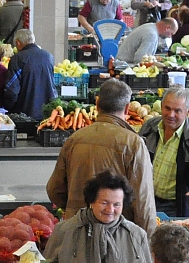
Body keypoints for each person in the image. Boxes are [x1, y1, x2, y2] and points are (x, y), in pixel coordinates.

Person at [47, 79, 156, 233]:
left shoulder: (75, 139)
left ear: (97, 104)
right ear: (127, 108)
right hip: (117, 234)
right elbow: (143, 203)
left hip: (77, 231)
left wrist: (76, 209)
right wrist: (148, 241)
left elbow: (54, 189)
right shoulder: (133, 143)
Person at [43, 171, 152, 263]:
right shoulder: (64, 231)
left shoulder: (137, 235)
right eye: (104, 203)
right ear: (91, 201)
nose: (110, 209)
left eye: (117, 205)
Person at [140, 87, 189, 218]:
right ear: (162, 106)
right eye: (167, 108)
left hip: (178, 207)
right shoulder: (150, 127)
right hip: (148, 201)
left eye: (177, 111)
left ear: (188, 111)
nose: (171, 115)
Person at [2, 29, 56, 119]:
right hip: (47, 113)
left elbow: (12, 90)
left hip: (25, 113)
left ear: (18, 43)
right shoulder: (49, 57)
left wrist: (8, 108)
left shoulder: (17, 59)